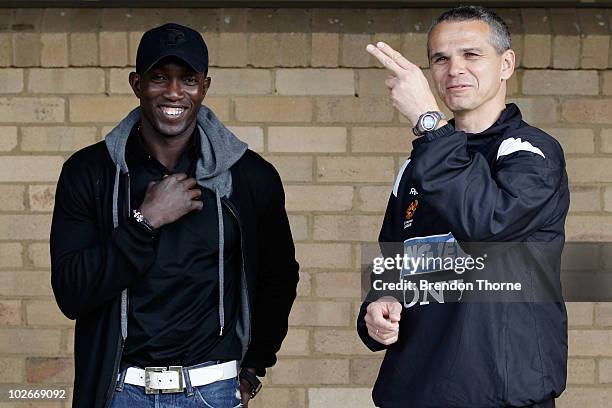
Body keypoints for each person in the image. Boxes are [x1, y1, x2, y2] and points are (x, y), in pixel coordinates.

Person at [50, 23, 299, 408]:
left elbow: (278, 278)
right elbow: (71, 292)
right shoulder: (91, 173)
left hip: (212, 390)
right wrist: (143, 221)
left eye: (188, 79)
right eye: (159, 78)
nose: (173, 92)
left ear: (205, 86)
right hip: (120, 390)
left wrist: (252, 369)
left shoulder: (248, 177)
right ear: (137, 84)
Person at [357, 6, 569, 408]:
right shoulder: (417, 164)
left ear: (506, 64)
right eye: (441, 58)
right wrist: (376, 309)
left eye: (471, 54)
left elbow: (485, 225)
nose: (454, 69)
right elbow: (392, 264)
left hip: (500, 394)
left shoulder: (531, 152)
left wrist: (427, 122)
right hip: (412, 391)